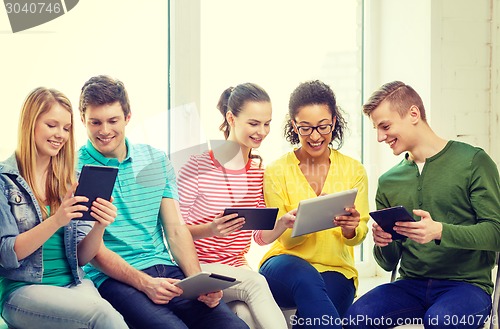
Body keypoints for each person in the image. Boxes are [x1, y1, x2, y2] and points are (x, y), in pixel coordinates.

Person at [77, 75, 249, 329]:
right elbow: (92, 251)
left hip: (166, 269)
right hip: (114, 279)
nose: (104, 130)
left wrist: (199, 282)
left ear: (127, 117)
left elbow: (176, 231)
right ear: (83, 120)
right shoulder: (75, 169)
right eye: (95, 122)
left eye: (113, 120)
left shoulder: (154, 160)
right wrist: (144, 283)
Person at [344, 81, 500, 329]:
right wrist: (384, 242)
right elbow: (386, 263)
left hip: (466, 286)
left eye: (385, 126)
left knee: (440, 322)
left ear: (413, 114)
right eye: (376, 129)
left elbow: (495, 233)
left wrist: (439, 231)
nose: (380, 137)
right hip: (411, 284)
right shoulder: (388, 182)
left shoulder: (474, 162)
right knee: (357, 317)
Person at [0, 87, 127, 329]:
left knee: (111, 317)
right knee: (102, 316)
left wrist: (100, 224)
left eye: (66, 128)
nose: (61, 134)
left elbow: (81, 257)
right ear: (30, 124)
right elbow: (6, 255)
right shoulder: (4, 180)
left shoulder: (72, 181)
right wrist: (56, 220)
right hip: (23, 290)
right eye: (52, 125)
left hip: (74, 283)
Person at [256, 80, 370, 329]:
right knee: (306, 278)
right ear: (294, 125)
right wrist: (301, 221)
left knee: (318, 311)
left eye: (323, 126)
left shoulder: (354, 170)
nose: (315, 136)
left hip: (337, 270)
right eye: (305, 128)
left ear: (334, 122)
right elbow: (286, 241)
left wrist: (350, 228)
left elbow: (358, 235)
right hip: (284, 265)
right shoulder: (277, 171)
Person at [177, 83, 288, 329]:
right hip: (199, 269)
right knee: (257, 283)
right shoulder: (196, 167)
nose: (262, 131)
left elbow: (259, 237)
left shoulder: (258, 173)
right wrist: (211, 229)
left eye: (267, 123)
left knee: (246, 317)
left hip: (236, 268)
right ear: (231, 118)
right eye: (254, 123)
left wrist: (282, 224)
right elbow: (175, 232)